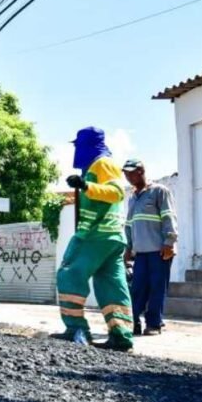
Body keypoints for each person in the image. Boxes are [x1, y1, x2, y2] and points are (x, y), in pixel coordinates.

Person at [53, 127, 134, 352]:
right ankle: (121, 335)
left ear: (86, 145)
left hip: (95, 235)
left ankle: (77, 329)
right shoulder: (101, 165)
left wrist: (85, 185)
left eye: (78, 145)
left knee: (69, 273)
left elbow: (116, 192)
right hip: (112, 238)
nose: (76, 150)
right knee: (110, 284)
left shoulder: (102, 164)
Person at [122, 159, 178, 336]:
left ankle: (154, 324)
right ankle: (134, 322)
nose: (128, 176)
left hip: (159, 251)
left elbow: (169, 217)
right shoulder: (132, 198)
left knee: (156, 288)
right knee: (137, 289)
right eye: (126, 173)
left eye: (131, 172)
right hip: (141, 254)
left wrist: (169, 242)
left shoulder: (159, 191)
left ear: (141, 171)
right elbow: (129, 224)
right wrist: (128, 247)